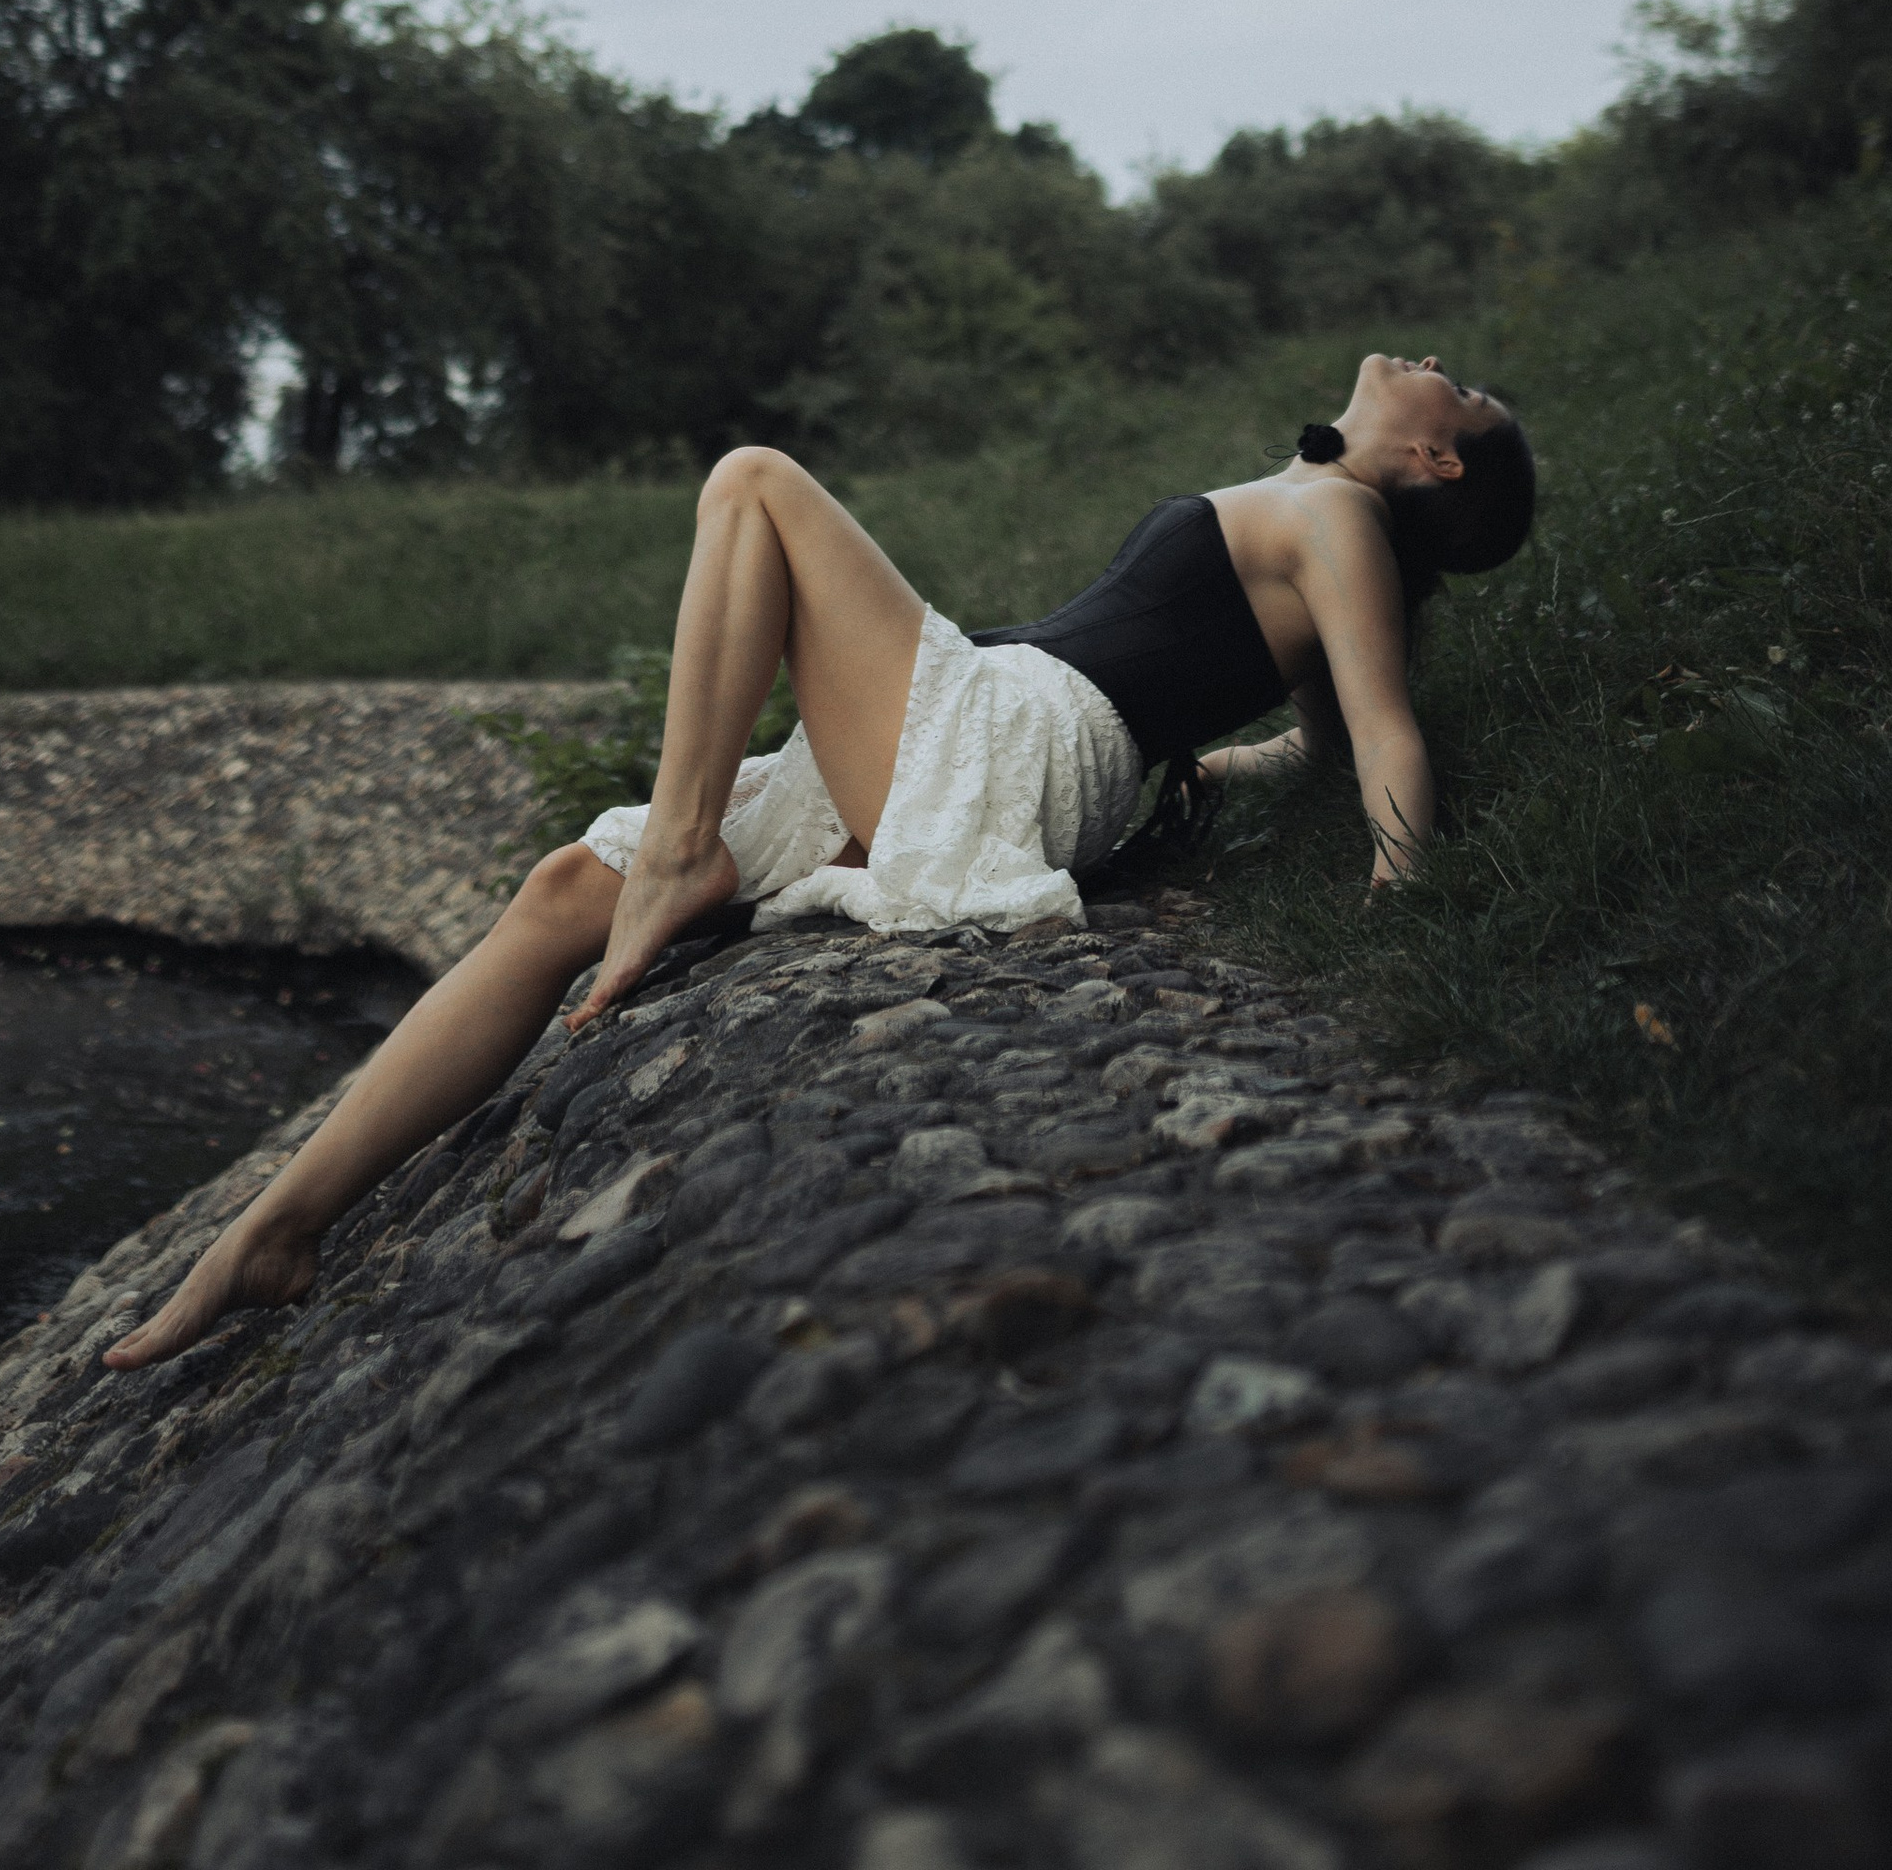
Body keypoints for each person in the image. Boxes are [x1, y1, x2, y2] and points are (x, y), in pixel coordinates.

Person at [102, 352, 1532, 1372]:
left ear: (1438, 460)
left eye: (1457, 388)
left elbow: (1383, 733)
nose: (1429, 362)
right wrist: (1217, 775)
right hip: (1001, 729)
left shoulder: (1342, 519)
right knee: (556, 895)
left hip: (1021, 737)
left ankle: (681, 853)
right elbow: (1323, 743)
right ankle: (278, 1227)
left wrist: (1400, 896)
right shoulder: (1320, 515)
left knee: (756, 482)